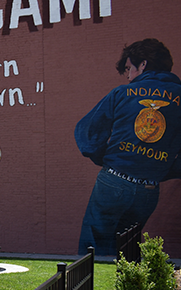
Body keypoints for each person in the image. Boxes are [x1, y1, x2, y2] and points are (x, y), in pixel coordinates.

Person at [76, 38, 181, 256]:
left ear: (142, 65)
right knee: (128, 248)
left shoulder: (122, 93)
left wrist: (108, 160)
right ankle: (127, 289)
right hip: (149, 190)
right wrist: (161, 169)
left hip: (114, 181)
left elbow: (88, 133)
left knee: (94, 249)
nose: (128, 75)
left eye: (128, 68)